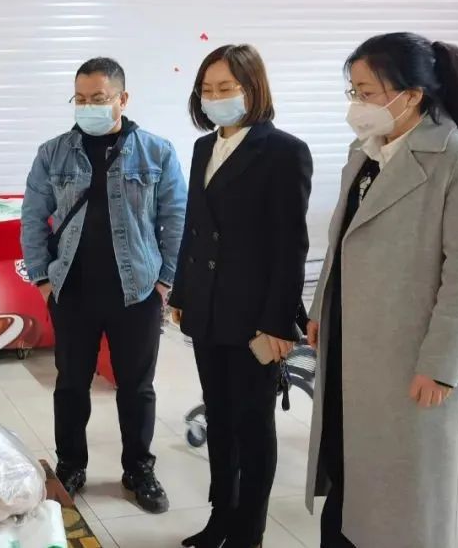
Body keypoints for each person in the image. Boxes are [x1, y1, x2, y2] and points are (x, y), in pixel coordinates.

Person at [305, 33, 458, 548]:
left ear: (411, 95)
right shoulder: (364, 152)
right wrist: (320, 307)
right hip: (352, 340)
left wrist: (440, 363)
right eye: (353, 91)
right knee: (349, 465)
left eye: (367, 92)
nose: (357, 104)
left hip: (410, 350)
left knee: (407, 491)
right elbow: (340, 240)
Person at [20, 57, 187, 513]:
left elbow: (176, 219)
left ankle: (139, 469)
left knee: (137, 387)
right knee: (71, 385)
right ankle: (71, 465)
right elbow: (33, 217)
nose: (88, 107)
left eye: (98, 98)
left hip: (138, 291)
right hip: (72, 291)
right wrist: (43, 279)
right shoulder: (53, 153)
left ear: (122, 99)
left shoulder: (157, 152)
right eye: (80, 99)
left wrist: (165, 282)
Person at [169, 45, 312, 548]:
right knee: (220, 416)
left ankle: (249, 530)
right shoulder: (203, 147)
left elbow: (291, 247)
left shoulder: (284, 151)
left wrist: (278, 324)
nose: (215, 98)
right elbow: (193, 228)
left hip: (255, 317)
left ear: (252, 89)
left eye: (225, 88)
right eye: (207, 90)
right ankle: (221, 517)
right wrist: (182, 292)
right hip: (207, 308)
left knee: (253, 424)